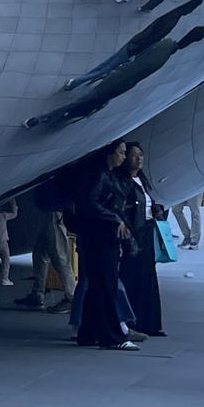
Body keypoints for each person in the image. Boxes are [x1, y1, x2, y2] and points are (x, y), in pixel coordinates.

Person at [25, 28, 204, 128]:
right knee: (81, 102)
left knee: (81, 100)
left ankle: (45, 118)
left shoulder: (164, 45)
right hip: (118, 84)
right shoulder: (164, 55)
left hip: (117, 78)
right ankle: (42, 119)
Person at [72, 143, 139, 351]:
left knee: (99, 286)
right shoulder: (99, 175)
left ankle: (88, 332)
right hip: (99, 237)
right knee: (105, 287)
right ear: (108, 154)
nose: (123, 156)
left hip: (105, 237)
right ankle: (111, 337)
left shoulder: (109, 175)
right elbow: (89, 204)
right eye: (120, 152)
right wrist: (114, 219)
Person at [63, 0, 204, 90]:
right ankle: (76, 82)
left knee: (106, 64)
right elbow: (152, 37)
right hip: (135, 47)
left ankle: (79, 80)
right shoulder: (171, 22)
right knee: (107, 68)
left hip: (134, 42)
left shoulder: (171, 16)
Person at [118, 145, 166, 338]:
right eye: (133, 155)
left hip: (145, 232)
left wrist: (156, 210)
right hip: (133, 233)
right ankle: (132, 321)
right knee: (132, 278)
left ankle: (149, 322)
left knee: (147, 279)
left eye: (140, 155)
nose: (139, 159)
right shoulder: (123, 182)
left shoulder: (141, 180)